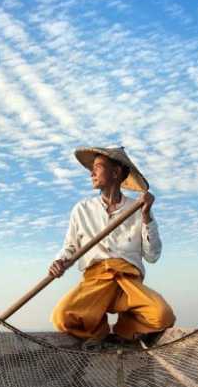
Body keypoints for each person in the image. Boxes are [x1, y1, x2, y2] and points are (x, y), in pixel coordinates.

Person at [49, 146, 175, 349]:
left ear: (115, 173)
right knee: (62, 317)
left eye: (97, 167)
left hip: (128, 281)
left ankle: (125, 332)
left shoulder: (137, 208)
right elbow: (70, 247)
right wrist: (59, 261)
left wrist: (146, 216)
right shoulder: (82, 209)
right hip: (96, 280)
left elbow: (152, 256)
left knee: (162, 316)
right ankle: (100, 333)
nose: (91, 173)